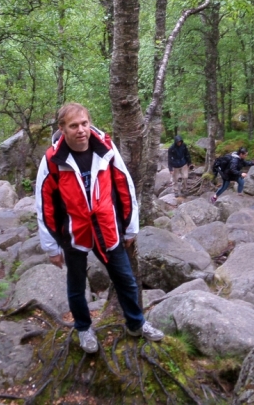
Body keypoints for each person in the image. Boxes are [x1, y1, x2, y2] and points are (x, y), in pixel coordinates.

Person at [35, 102, 164, 353]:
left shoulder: (105, 147)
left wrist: (130, 227)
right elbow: (44, 204)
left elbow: (124, 185)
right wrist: (51, 246)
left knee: (125, 279)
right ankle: (84, 329)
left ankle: (136, 324)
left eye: (84, 123)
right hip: (74, 232)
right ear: (62, 128)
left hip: (107, 227)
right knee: (75, 286)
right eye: (73, 126)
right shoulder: (53, 159)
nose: (81, 130)